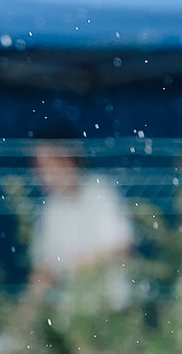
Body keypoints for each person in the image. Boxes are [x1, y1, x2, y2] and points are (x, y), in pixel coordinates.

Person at [27, 124, 133, 298]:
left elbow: (120, 248)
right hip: (71, 312)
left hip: (108, 306)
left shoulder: (100, 192)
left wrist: (77, 268)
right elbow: (43, 270)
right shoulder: (51, 206)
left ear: (67, 160)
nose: (38, 173)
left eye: (44, 165)